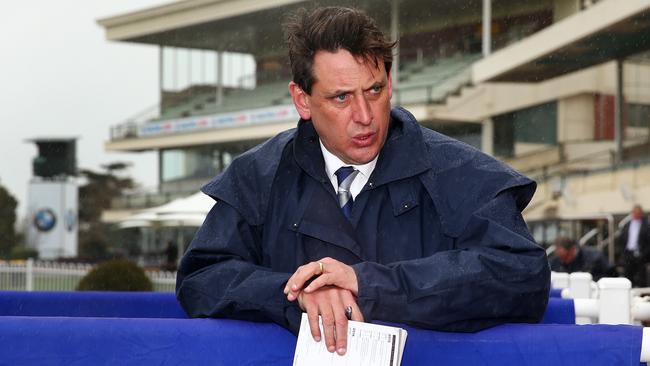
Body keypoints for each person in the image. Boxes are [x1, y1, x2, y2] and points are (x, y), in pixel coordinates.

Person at [176, 6, 550, 356]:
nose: (364, 115)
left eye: (374, 90)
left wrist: (366, 283)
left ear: (390, 82)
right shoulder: (256, 176)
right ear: (302, 100)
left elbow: (522, 276)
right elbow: (202, 276)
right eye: (341, 98)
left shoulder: (465, 174)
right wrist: (295, 295)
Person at [549, 236, 616, 281]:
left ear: (572, 250)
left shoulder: (595, 258)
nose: (563, 261)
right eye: (560, 257)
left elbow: (612, 276)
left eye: (565, 257)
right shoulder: (555, 262)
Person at [617, 205, 650, 287]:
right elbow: (622, 239)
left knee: (641, 277)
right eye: (635, 212)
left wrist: (644, 254)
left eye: (638, 213)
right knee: (628, 275)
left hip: (640, 254)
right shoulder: (627, 224)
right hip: (628, 253)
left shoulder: (646, 225)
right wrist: (623, 253)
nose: (636, 214)